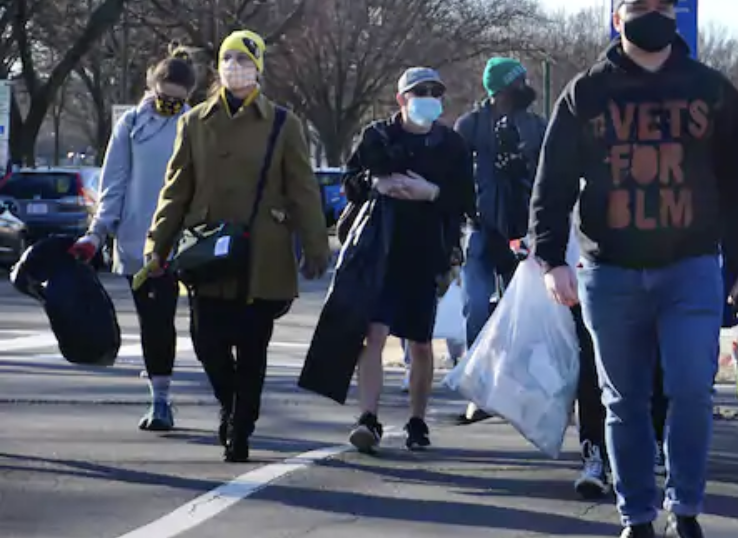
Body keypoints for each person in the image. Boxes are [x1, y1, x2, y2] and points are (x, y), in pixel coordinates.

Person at [529, 0, 738, 538]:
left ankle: (684, 508)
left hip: (689, 266)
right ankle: (637, 516)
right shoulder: (586, 93)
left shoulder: (712, 90)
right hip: (609, 270)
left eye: (666, 5)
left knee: (691, 387)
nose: (656, 13)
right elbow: (552, 181)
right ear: (618, 18)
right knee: (623, 400)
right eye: (643, 5)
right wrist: (549, 258)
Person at [144, 30, 330, 463]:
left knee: (252, 347)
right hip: (206, 253)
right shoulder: (193, 122)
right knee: (206, 342)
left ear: (259, 68)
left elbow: (303, 188)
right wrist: (158, 244)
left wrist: (315, 244)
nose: (236, 68)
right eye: (228, 59)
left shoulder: (284, 124)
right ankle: (231, 406)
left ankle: (241, 425)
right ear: (218, 69)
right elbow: (175, 190)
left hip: (261, 254)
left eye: (245, 60)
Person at [343, 68, 474, 454]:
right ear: (401, 98)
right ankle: (367, 417)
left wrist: (431, 192)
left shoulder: (451, 144)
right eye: (421, 91)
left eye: (436, 91)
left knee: (420, 342)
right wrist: (374, 183)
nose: (429, 97)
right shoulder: (378, 136)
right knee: (375, 334)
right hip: (380, 250)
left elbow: (468, 199)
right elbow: (350, 185)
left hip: (427, 251)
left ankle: (417, 420)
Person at [70, 49, 198, 431]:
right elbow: (114, 183)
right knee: (155, 322)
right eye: (163, 96)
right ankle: (160, 400)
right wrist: (97, 232)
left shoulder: (195, 124)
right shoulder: (131, 125)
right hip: (139, 242)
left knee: (205, 326)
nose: (168, 105)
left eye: (177, 100)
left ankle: (230, 400)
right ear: (151, 87)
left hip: (189, 241)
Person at [455, 55, 546, 421]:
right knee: (476, 305)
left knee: (522, 312)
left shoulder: (537, 127)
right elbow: (455, 176)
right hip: (478, 230)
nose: (525, 86)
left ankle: (516, 388)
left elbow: (549, 176)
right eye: (518, 80)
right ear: (503, 87)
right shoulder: (470, 126)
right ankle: (480, 389)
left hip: (524, 232)